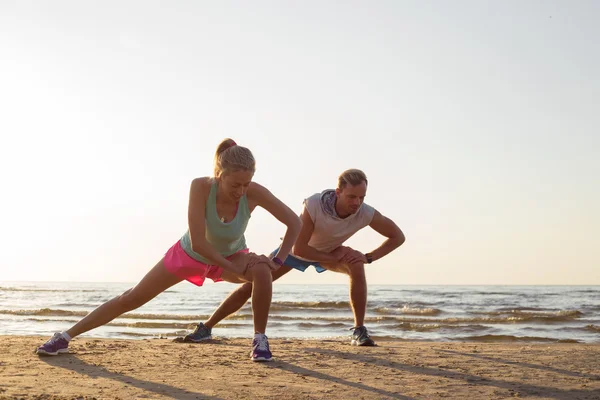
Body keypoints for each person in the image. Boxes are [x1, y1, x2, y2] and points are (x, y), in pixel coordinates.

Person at [36, 138, 301, 361]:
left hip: (231, 255)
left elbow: (294, 222)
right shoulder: (201, 186)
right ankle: (64, 337)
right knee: (131, 298)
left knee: (263, 272)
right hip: (190, 254)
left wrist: (277, 259)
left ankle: (259, 341)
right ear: (220, 176)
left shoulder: (253, 193)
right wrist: (232, 268)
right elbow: (199, 242)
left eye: (246, 184)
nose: (241, 191)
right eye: (235, 185)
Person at [185, 168, 405, 346]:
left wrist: (368, 257)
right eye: (351, 197)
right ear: (338, 192)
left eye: (361, 197)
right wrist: (333, 259)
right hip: (296, 251)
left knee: (357, 266)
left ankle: (359, 330)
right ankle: (207, 328)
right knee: (252, 286)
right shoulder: (315, 204)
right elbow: (300, 249)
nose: (356, 203)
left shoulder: (365, 212)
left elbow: (397, 236)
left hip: (330, 251)